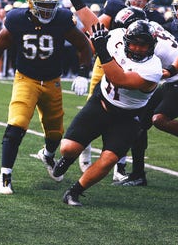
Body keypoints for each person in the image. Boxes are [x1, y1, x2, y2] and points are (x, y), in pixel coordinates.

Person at [0, 0, 93, 195]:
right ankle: (5, 175)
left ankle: (47, 154)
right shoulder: (17, 19)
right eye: (42, 5)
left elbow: (83, 45)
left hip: (52, 80)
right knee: (17, 123)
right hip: (26, 78)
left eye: (51, 6)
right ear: (31, 3)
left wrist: (84, 72)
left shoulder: (63, 19)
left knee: (56, 132)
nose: (48, 11)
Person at [65, 0, 166, 176]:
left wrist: (168, 71)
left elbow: (165, 48)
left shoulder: (155, 20)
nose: (139, 0)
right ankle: (81, 156)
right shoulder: (115, 12)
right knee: (95, 112)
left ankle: (121, 164)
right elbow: (96, 30)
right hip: (109, 58)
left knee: (132, 121)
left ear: (149, 1)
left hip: (137, 69)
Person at [53, 21, 162, 206]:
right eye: (133, 43)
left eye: (142, 45)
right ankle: (68, 159)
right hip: (101, 103)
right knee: (67, 148)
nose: (137, 48)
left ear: (151, 46)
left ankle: (74, 192)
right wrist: (76, 0)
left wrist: (102, 51)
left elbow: (119, 79)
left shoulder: (153, 68)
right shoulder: (117, 38)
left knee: (108, 159)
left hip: (128, 117)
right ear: (126, 40)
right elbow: (93, 25)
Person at [114, 0, 178, 186]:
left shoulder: (148, 40)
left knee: (159, 119)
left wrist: (169, 71)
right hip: (173, 81)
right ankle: (137, 175)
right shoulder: (153, 27)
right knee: (139, 121)